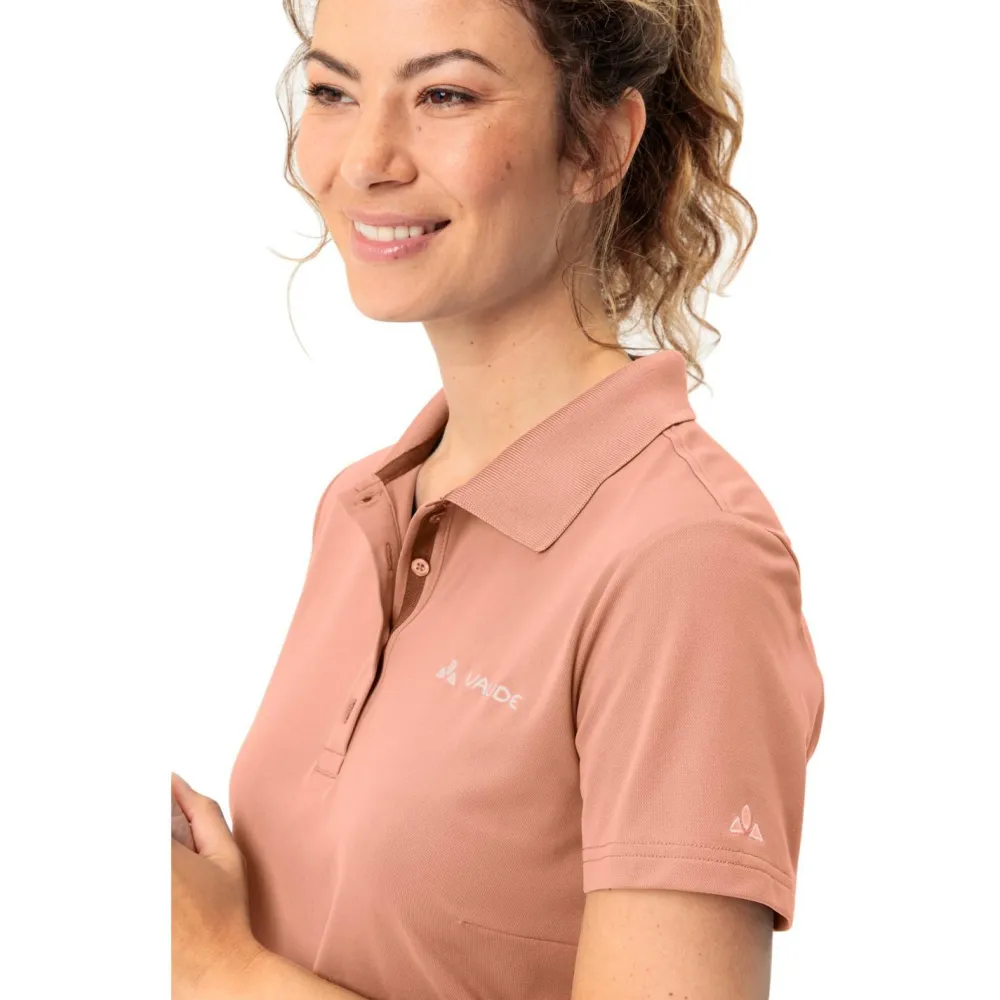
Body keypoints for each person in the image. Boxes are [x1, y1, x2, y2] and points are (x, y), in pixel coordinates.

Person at [224, 1, 826, 998]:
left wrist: (211, 960)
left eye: (443, 95)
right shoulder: (361, 507)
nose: (365, 159)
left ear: (597, 145)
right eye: (332, 91)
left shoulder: (688, 560)